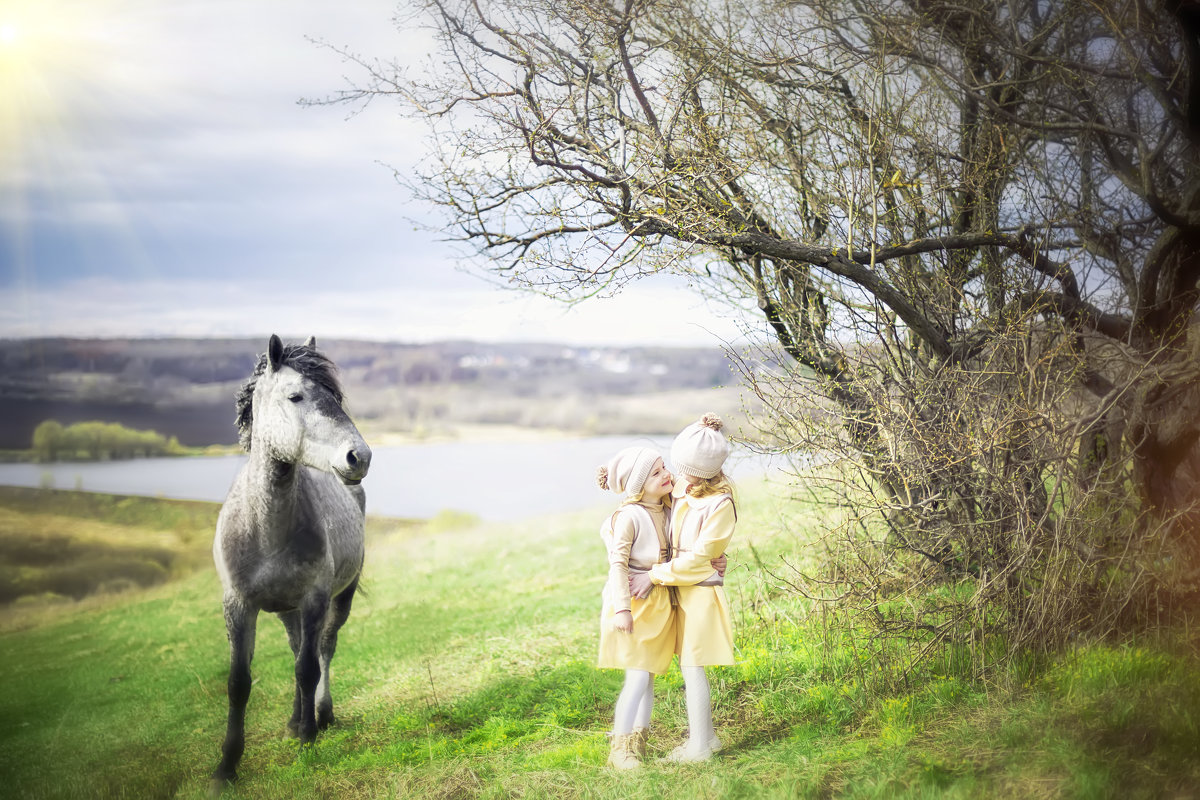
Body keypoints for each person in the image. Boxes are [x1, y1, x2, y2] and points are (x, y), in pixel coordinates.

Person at [630, 413, 736, 762]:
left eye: (681, 467)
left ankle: (700, 747)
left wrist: (655, 575)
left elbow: (700, 559)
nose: (674, 474)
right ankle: (709, 738)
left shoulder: (719, 504)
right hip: (679, 592)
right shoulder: (682, 492)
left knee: (693, 667)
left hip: (700, 595)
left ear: (699, 471)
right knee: (688, 665)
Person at [595, 445, 678, 769]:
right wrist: (622, 609)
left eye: (664, 467)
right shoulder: (630, 516)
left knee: (649, 677)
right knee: (638, 677)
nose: (666, 474)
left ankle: (638, 740)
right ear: (638, 485)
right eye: (656, 473)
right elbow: (617, 564)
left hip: (657, 603)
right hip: (635, 603)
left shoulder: (667, 507)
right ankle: (620, 746)